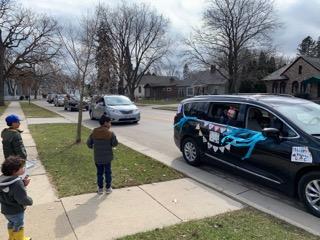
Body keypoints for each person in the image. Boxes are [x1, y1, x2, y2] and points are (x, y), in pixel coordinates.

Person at [0, 156, 33, 240]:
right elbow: (22, 199)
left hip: (6, 210)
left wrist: (23, 183)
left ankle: (12, 237)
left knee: (11, 223)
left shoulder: (2, 179)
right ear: (14, 171)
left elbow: (9, 191)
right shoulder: (17, 183)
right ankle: (19, 238)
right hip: (16, 211)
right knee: (19, 225)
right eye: (21, 167)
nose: (24, 168)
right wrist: (30, 201)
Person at [87, 115, 118, 194]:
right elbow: (115, 144)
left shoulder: (94, 131)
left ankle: (100, 188)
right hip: (108, 158)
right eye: (109, 122)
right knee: (108, 172)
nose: (110, 124)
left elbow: (88, 143)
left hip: (97, 158)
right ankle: (108, 188)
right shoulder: (110, 133)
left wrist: (92, 147)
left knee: (99, 173)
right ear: (105, 123)